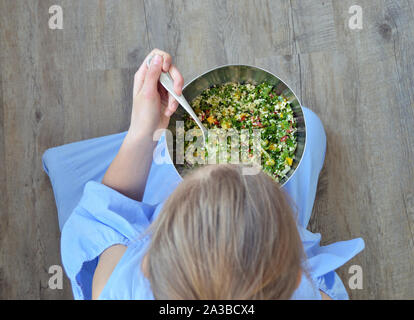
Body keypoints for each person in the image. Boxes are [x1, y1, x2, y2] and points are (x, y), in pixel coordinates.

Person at [42, 49, 364, 300]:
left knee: (156, 161)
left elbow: (104, 216)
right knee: (309, 127)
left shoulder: (122, 287)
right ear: (294, 274)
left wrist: (143, 130)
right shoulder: (302, 289)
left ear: (148, 260)